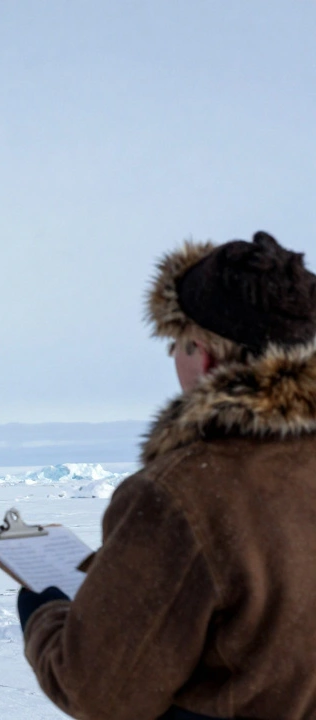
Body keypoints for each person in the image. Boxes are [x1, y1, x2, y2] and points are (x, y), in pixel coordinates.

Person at [18, 232, 316, 719]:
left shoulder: (181, 493)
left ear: (204, 354)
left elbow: (100, 691)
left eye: (175, 344)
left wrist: (44, 612)